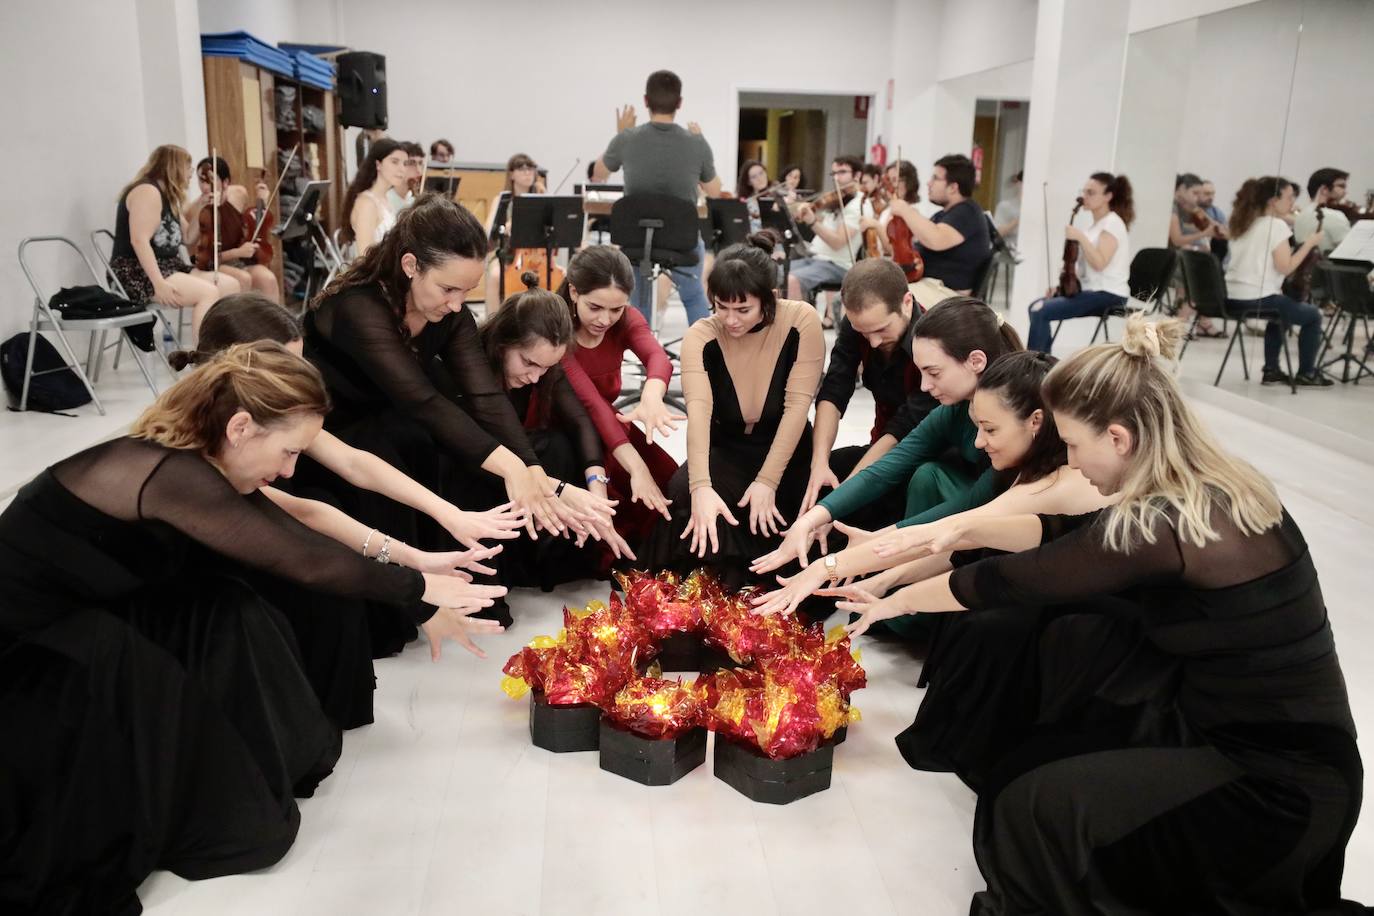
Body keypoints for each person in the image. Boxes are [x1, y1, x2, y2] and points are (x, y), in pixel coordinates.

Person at [834, 315, 1363, 916]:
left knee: (1033, 807)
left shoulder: (1170, 525)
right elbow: (1057, 535)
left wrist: (894, 600)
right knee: (1030, 759)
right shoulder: (1203, 491)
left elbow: (1016, 579)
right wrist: (942, 539)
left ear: (1118, 438)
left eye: (1075, 444)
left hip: (1276, 783)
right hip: (1229, 730)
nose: (1073, 462)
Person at [0, 340, 503, 914]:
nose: (290, 471)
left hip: (89, 613)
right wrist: (421, 593)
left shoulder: (200, 462)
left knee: (223, 604)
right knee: (181, 627)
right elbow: (305, 560)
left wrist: (418, 576)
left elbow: (298, 536)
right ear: (240, 426)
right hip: (28, 647)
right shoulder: (169, 473)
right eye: (288, 452)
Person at [170, 293, 526, 676]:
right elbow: (302, 518)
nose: (301, 374)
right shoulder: (196, 446)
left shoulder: (263, 413)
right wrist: (415, 581)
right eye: (287, 364)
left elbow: (354, 463)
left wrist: (445, 515)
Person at [759, 299, 1024, 585]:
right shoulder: (956, 408)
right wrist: (811, 519)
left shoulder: (1015, 412)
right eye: (921, 372)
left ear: (976, 361)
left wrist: (873, 545)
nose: (923, 386)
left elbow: (972, 504)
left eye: (934, 373)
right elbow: (886, 468)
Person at [640, 234, 823, 587]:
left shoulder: (801, 320)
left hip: (786, 448)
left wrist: (767, 481)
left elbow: (797, 408)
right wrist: (701, 487)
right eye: (721, 307)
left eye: (743, 310)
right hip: (728, 447)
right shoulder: (701, 335)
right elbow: (699, 413)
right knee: (682, 492)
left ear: (768, 299)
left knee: (793, 508)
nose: (731, 320)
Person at [556, 246, 682, 551]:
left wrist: (652, 394)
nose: (606, 319)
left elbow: (657, 357)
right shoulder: (557, 326)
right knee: (631, 485)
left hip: (609, 426)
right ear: (573, 292)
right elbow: (591, 404)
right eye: (595, 307)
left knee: (667, 480)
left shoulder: (626, 318)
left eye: (616, 309)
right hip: (565, 430)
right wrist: (636, 468)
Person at [802, 259, 938, 520]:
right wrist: (820, 462)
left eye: (881, 330)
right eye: (863, 332)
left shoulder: (934, 339)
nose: (873, 342)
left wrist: (840, 500)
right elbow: (834, 390)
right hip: (880, 444)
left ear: (906, 303)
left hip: (924, 456)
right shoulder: (859, 324)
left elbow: (903, 427)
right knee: (815, 474)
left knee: (853, 504)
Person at [592, 69, 721, 326]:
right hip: (682, 241)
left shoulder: (626, 139)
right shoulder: (697, 143)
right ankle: (705, 356)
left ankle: (644, 353)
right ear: (680, 103)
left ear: (645, 101)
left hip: (637, 242)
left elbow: (598, 174)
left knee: (640, 300)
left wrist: (619, 133)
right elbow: (715, 192)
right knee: (695, 296)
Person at [109, 144, 238, 337]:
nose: (190, 175)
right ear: (175, 168)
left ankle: (226, 346)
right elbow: (139, 241)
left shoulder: (169, 197)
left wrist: (203, 206)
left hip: (170, 266)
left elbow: (187, 238)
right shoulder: (147, 192)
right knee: (208, 293)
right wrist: (158, 284)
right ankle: (203, 357)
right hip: (137, 271)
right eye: (189, 168)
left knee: (231, 285)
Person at [1224, 176, 1332, 388]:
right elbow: (1286, 267)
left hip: (1231, 299)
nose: (1293, 202)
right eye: (1290, 197)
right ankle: (1307, 373)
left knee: (1281, 311)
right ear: (1273, 201)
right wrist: (1309, 244)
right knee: (1312, 316)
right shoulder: (1276, 226)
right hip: (1257, 298)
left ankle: (1272, 370)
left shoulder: (1243, 224)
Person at [1026, 172, 1134, 353]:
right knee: (1035, 307)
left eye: (1091, 193)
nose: (1084, 197)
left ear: (1108, 196)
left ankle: (1036, 367)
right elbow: (1083, 270)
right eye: (1084, 192)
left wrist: (1080, 238)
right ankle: (1041, 362)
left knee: (1040, 311)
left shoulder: (1112, 224)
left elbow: (1100, 263)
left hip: (1109, 293)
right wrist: (1061, 289)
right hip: (1092, 291)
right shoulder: (1094, 227)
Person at [886, 153, 993, 306]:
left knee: (879, 300)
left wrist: (905, 209)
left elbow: (936, 239)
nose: (929, 183)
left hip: (946, 294)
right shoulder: (943, 214)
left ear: (953, 187)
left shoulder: (967, 212)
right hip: (930, 286)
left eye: (935, 178)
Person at [184, 155, 281, 301]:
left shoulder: (238, 194)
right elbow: (203, 257)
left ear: (225, 182)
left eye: (210, 179)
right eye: (201, 180)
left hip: (237, 260)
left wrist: (262, 203)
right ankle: (242, 322)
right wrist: (238, 252)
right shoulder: (195, 208)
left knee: (268, 278)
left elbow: (250, 225)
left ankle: (273, 322)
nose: (204, 186)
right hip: (214, 264)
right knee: (243, 278)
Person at [786, 155, 865, 316]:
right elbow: (828, 223)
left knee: (791, 280)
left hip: (837, 265)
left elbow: (838, 242)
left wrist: (813, 221)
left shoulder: (858, 205)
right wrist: (798, 209)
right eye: (834, 173)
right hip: (816, 258)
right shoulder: (840, 200)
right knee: (776, 271)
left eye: (842, 172)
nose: (836, 178)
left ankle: (800, 331)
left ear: (857, 176)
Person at [486, 153, 555, 298]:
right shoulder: (501, 200)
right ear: (511, 174)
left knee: (559, 276)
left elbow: (553, 229)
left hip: (538, 257)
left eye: (530, 168)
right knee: (495, 275)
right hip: (508, 255)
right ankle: (494, 319)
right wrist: (505, 227)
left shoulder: (541, 197)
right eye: (521, 168)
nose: (527, 172)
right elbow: (487, 234)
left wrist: (546, 198)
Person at [340, 137, 408, 257]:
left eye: (404, 163)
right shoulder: (367, 203)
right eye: (394, 162)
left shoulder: (384, 198)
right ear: (378, 164)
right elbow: (364, 256)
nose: (402, 169)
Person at [1295, 167, 1353, 255]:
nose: (1345, 192)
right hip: (1333, 267)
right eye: (1341, 186)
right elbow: (1351, 250)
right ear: (1324, 189)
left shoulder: (1300, 215)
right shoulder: (1334, 216)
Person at [388, 141, 426, 212]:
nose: (418, 170)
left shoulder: (413, 201)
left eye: (420, 163)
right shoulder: (386, 200)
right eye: (411, 163)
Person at [1198, 179, 1230, 262]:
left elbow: (1226, 234)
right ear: (1197, 194)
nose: (1211, 197)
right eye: (1207, 194)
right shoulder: (1190, 210)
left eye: (1213, 194)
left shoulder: (1217, 213)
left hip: (1212, 256)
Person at [737, 158, 771, 232]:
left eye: (761, 173)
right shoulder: (747, 203)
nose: (760, 178)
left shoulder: (774, 196)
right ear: (749, 182)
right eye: (754, 177)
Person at [993, 170, 1022, 249]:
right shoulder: (1005, 206)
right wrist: (1017, 221)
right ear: (1019, 183)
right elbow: (997, 234)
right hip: (1008, 252)